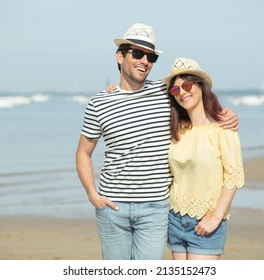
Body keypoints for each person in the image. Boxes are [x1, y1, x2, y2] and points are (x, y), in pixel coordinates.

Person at [75, 23, 239, 260]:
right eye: (138, 53)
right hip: (112, 207)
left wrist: (228, 115)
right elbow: (83, 153)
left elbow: (196, 103)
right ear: (120, 56)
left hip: (156, 208)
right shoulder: (99, 103)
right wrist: (92, 193)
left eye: (151, 56)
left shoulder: (167, 94)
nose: (145, 61)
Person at [162, 57, 245, 260]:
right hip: (174, 218)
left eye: (187, 85)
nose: (182, 92)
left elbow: (233, 178)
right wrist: (114, 88)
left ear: (200, 86)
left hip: (206, 222)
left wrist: (216, 217)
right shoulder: (177, 128)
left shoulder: (223, 128)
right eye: (175, 90)